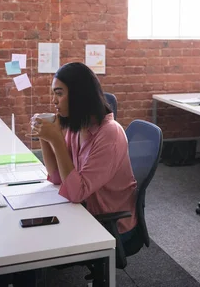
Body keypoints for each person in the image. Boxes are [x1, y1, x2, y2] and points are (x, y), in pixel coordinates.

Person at [31, 62, 137, 238]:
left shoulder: (110, 133)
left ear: (78, 95)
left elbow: (76, 193)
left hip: (109, 224)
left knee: (37, 239)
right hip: (84, 210)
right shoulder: (78, 126)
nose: (54, 101)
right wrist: (44, 136)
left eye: (59, 93)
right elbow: (57, 177)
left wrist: (56, 140)